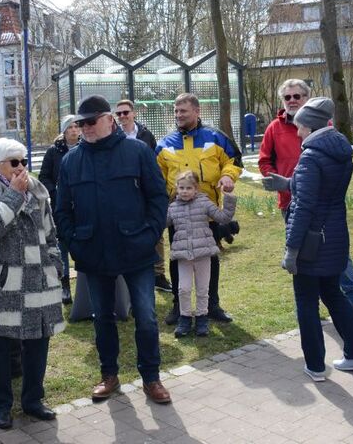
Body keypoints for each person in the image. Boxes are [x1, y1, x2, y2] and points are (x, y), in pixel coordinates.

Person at [56, 95, 171, 404]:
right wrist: (77, 243)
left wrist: (148, 235)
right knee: (102, 318)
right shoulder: (71, 161)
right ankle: (109, 376)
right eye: (80, 123)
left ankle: (151, 378)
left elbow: (158, 198)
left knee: (146, 316)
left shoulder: (137, 152)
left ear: (109, 119)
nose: (85, 128)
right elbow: (62, 211)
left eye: (91, 121)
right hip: (94, 253)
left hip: (136, 250)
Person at [264, 97, 353, 381]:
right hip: (334, 235)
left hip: (312, 240)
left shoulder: (311, 155)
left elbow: (305, 207)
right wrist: (287, 183)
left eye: (300, 127)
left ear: (310, 126)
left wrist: (291, 248)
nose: (297, 132)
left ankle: (315, 365)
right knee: (334, 294)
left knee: (306, 302)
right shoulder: (338, 149)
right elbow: (323, 190)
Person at [0, 138, 65, 430]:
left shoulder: (37, 189)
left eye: (24, 161)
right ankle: (0, 406)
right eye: (15, 162)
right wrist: (13, 194)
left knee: (39, 340)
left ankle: (33, 400)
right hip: (1, 281)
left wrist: (56, 263)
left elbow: (50, 232)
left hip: (38, 277)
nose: (21, 167)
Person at [156, 93, 242, 325]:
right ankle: (178, 306)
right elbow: (155, 177)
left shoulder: (215, 137)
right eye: (175, 110)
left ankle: (212, 305)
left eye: (183, 110)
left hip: (208, 214)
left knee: (210, 260)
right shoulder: (164, 144)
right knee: (177, 259)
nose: (178, 115)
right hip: (178, 216)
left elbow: (234, 160)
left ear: (197, 111)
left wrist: (227, 176)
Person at [167, 170, 237, 338]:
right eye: (181, 188)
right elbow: (159, 224)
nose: (184, 191)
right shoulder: (172, 208)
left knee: (202, 289)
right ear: (176, 188)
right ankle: (185, 318)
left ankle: (201, 317)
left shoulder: (204, 203)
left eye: (188, 188)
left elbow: (224, 217)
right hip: (183, 255)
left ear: (196, 188)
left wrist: (228, 197)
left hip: (203, 253)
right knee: (183, 289)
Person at [115, 99, 172, 293]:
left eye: (126, 112)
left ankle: (158, 274)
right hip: (124, 192)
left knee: (156, 231)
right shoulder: (114, 136)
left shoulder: (146, 134)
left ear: (134, 113)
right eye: (119, 114)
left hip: (146, 189)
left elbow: (155, 163)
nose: (122, 116)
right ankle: (129, 281)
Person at [38, 114, 80, 304]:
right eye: (70, 127)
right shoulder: (53, 152)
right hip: (60, 207)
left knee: (80, 247)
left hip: (81, 206)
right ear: (64, 130)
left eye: (76, 126)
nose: (74, 130)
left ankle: (84, 289)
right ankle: (64, 286)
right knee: (61, 247)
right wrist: (56, 192)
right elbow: (44, 176)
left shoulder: (85, 149)